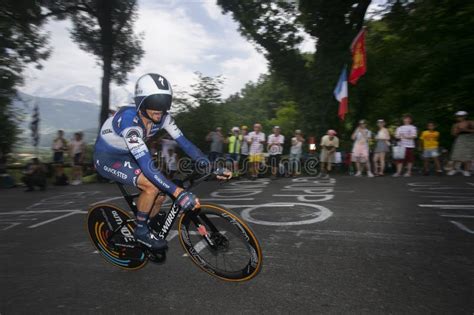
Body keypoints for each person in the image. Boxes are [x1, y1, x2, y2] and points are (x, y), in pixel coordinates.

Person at [94, 73, 230, 250]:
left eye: (165, 103)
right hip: (107, 159)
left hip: (128, 155)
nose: (160, 109)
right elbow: (144, 163)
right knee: (152, 186)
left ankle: (148, 218)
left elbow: (185, 144)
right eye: (155, 103)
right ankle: (141, 230)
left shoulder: (164, 118)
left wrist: (209, 166)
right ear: (141, 103)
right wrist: (179, 193)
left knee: (161, 193)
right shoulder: (129, 120)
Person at [448, 111, 474, 176]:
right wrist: (458, 131)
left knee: (467, 155)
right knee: (456, 154)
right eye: (458, 116)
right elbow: (453, 134)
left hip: (469, 139)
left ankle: (466, 170)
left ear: (464, 116)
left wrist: (466, 130)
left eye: (460, 116)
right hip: (460, 139)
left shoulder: (470, 122)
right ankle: (453, 169)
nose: (459, 118)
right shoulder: (455, 124)